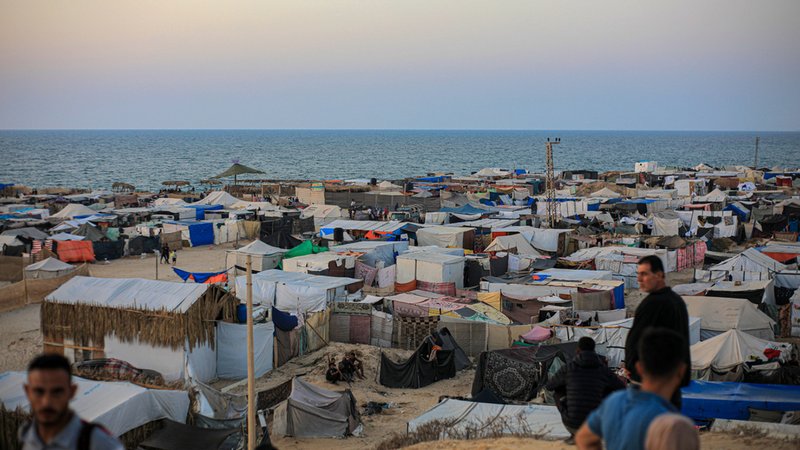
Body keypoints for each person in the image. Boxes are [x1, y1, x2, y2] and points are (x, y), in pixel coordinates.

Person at [576, 328, 688, 450]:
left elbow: (584, 439)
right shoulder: (677, 427)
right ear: (681, 371)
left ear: (639, 368)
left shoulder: (613, 404)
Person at [624, 255, 690, 408]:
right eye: (638, 274)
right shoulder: (675, 300)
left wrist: (632, 367)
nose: (639, 279)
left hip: (650, 382)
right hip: (669, 380)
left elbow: (640, 339)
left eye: (644, 274)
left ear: (660, 275)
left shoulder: (655, 303)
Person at [20, 354, 124, 450]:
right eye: (39, 392)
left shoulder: (97, 441)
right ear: (27, 391)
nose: (47, 402)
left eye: (57, 392)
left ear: (72, 391)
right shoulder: (27, 437)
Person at [545, 337, 625, 441]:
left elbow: (549, 386)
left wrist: (568, 385)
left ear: (577, 350)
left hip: (572, 424)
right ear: (594, 350)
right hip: (596, 425)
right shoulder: (603, 370)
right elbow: (622, 388)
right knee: (608, 390)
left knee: (558, 392)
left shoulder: (569, 368)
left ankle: (574, 432)